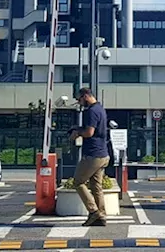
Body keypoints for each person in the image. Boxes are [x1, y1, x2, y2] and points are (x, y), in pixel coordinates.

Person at [68, 87, 110, 226]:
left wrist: (77, 132)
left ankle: (93, 211)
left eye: (79, 99)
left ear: (86, 96)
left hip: (92, 154)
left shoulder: (91, 111)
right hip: (103, 153)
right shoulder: (100, 109)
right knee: (96, 186)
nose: (79, 103)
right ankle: (101, 216)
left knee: (78, 182)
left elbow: (89, 132)